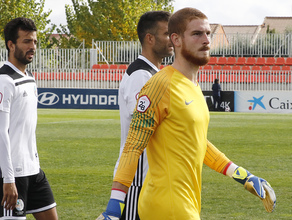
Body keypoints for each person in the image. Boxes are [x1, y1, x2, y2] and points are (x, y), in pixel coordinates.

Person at [97, 8, 276, 220]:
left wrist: (242, 175)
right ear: (176, 40)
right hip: (168, 206)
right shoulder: (159, 84)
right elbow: (133, 146)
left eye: (208, 33)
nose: (206, 40)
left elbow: (197, 141)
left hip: (185, 203)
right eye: (197, 34)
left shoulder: (192, 85)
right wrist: (114, 207)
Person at [0, 17, 58, 220]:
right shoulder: (3, 81)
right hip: (11, 175)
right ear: (11, 45)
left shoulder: (28, 77)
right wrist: (9, 179)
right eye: (27, 41)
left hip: (33, 169)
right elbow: (0, 134)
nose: (33, 47)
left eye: (35, 42)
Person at [114, 11, 173, 220]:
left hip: (151, 177)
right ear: (150, 38)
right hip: (136, 177)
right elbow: (141, 129)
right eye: (167, 34)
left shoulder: (155, 73)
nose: (172, 39)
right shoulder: (141, 75)